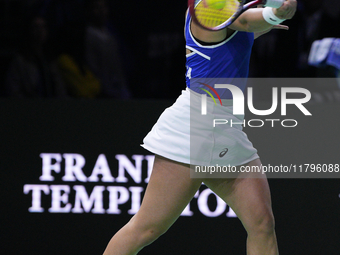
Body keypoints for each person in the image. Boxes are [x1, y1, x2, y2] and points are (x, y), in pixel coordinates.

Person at [102, 1, 297, 254]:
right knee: (145, 229)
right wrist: (273, 14)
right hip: (194, 129)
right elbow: (247, 22)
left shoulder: (227, 10)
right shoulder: (210, 6)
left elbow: (245, 29)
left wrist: (271, 15)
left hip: (227, 131)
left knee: (262, 224)